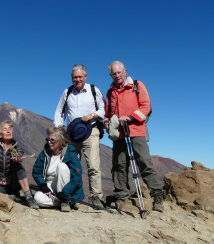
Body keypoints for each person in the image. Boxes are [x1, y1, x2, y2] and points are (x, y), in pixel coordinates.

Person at [104, 60, 164, 212]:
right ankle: (121, 197)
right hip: (119, 134)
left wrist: (130, 118)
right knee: (119, 165)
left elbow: (146, 106)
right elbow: (108, 113)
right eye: (114, 73)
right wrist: (107, 122)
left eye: (119, 72)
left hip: (136, 131)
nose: (117, 75)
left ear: (125, 72)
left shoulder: (137, 85)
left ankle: (157, 196)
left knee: (144, 162)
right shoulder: (111, 92)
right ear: (110, 75)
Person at [54, 64, 105, 208]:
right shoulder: (67, 92)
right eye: (75, 77)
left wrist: (92, 115)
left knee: (94, 165)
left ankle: (96, 197)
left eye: (80, 77)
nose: (77, 79)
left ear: (85, 77)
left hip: (91, 131)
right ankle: (72, 196)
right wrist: (58, 130)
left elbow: (102, 110)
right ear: (71, 78)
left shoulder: (94, 91)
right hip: (71, 134)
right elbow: (59, 113)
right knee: (72, 166)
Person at [0, 119, 39, 209]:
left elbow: (20, 151)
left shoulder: (16, 146)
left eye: (10, 129)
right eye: (5, 129)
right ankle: (13, 197)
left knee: (18, 166)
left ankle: (29, 198)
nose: (9, 131)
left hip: (13, 184)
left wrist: (18, 156)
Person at [32, 126, 84, 212]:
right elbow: (37, 171)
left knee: (62, 166)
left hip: (66, 187)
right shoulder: (45, 153)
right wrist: (43, 185)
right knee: (37, 198)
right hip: (51, 185)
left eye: (52, 140)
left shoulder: (70, 153)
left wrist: (64, 192)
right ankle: (64, 201)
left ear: (61, 141)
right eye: (48, 139)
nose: (49, 142)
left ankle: (65, 199)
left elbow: (77, 176)